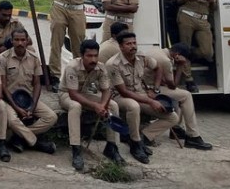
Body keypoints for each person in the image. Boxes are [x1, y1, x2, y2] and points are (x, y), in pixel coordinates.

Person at [37, 0, 100, 90]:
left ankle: (81, 77)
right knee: (56, 43)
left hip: (77, 9)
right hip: (59, 8)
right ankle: (55, 77)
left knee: (79, 43)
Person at [107, 31, 177, 163]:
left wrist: (155, 89)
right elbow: (124, 92)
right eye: (128, 44)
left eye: (134, 43)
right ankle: (135, 143)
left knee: (172, 117)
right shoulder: (113, 64)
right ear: (121, 47)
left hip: (141, 94)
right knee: (133, 106)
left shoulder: (141, 56)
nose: (133, 46)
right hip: (118, 97)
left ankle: (143, 137)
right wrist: (151, 101)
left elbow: (158, 68)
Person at [58, 39, 125, 171]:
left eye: (95, 55)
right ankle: (76, 149)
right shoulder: (72, 67)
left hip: (84, 93)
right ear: (82, 55)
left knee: (113, 105)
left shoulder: (100, 67)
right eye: (89, 56)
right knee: (75, 106)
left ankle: (112, 146)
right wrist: (96, 106)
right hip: (66, 94)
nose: (93, 59)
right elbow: (73, 94)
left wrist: (103, 105)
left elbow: (106, 90)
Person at [141, 44, 212, 149]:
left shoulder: (158, 50)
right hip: (149, 89)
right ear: (177, 55)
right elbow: (173, 85)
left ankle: (177, 128)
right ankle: (193, 136)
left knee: (179, 96)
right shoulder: (166, 60)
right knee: (186, 96)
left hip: (146, 86)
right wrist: (180, 65)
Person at [0, 29, 57, 153]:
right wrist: (16, 108)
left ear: (27, 41)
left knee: (51, 117)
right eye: (17, 40)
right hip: (9, 99)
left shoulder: (34, 58)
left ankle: (19, 137)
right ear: (12, 41)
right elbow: (2, 86)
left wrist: (32, 106)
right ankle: (36, 143)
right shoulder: (3, 58)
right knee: (12, 120)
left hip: (28, 98)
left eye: (23, 40)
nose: (20, 43)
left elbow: (37, 84)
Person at [172, 0, 216, 64]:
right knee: (184, 45)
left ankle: (180, 54)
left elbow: (215, 7)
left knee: (207, 52)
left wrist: (211, 0)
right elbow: (175, 1)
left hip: (203, 19)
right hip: (187, 16)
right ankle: (188, 76)